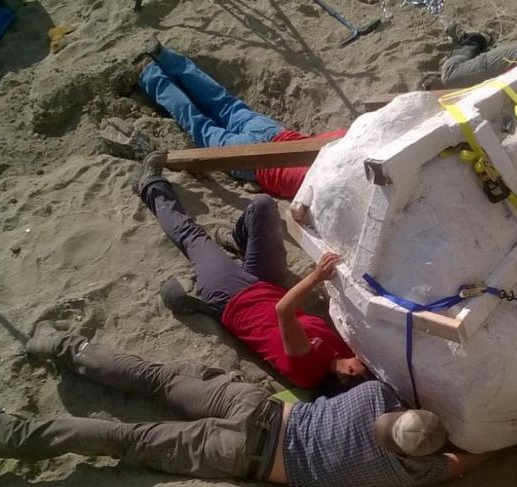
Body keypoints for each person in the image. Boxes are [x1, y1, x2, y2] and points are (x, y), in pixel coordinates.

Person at [0, 324, 486, 487]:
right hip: (244, 456)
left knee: (153, 378)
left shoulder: (374, 399)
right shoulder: (412, 469)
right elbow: (468, 460)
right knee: (128, 440)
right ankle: (12, 434)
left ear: (396, 417)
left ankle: (58, 346)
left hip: (257, 408)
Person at [134, 151, 365, 390]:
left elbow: (284, 310)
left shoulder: (309, 369)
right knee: (263, 205)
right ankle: (238, 241)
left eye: (362, 369)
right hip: (270, 286)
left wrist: (317, 275)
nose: (363, 363)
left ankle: (150, 186)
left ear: (350, 370)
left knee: (192, 237)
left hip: (233, 298)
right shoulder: (344, 354)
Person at [137, 39, 343, 200]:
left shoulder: (351, 142)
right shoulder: (330, 188)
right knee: (198, 124)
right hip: (252, 160)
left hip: (272, 133)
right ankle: (150, 75)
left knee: (224, 103)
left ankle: (165, 56)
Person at [422, 31, 517, 90]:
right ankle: (477, 41)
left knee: (450, 76)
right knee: (451, 75)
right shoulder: (450, 78)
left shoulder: (450, 79)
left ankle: (475, 40)